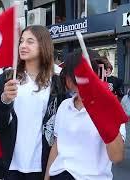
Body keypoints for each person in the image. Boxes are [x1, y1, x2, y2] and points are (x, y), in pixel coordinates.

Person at [0, 25, 66, 180]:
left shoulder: (57, 81)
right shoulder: (7, 77)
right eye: (21, 41)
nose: (23, 45)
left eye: (30, 41)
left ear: (43, 45)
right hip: (9, 163)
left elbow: (62, 125)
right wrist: (5, 100)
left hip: (42, 163)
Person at [45, 50, 126, 180]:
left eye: (68, 73)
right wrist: (47, 177)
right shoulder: (65, 105)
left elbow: (116, 157)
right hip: (59, 175)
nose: (65, 78)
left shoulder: (109, 106)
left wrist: (106, 120)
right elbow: (57, 145)